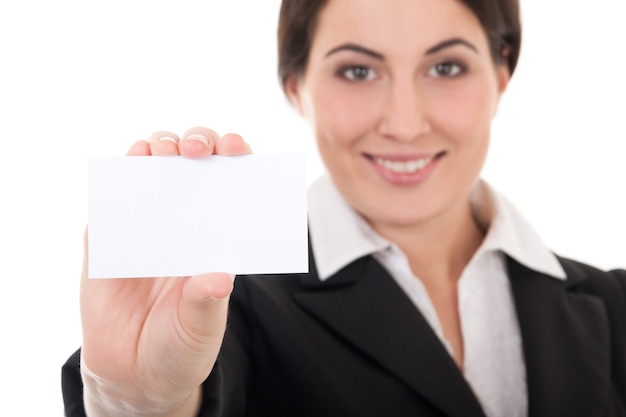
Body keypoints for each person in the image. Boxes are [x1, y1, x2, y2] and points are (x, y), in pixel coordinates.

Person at [62, 0, 626, 416]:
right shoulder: (231, 304)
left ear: (502, 76)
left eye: (446, 67)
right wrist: (136, 400)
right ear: (295, 87)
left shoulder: (614, 304)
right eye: (358, 71)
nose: (404, 123)